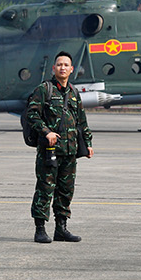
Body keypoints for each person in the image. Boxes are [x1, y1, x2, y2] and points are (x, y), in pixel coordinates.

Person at [25, 50, 92, 244]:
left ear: (72, 69)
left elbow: (81, 121)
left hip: (70, 151)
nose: (62, 68)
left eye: (66, 65)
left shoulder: (73, 93)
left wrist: (87, 144)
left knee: (65, 191)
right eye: (59, 65)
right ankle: (40, 229)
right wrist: (46, 132)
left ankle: (61, 229)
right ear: (54, 68)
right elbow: (32, 114)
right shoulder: (44, 89)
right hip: (50, 150)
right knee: (45, 189)